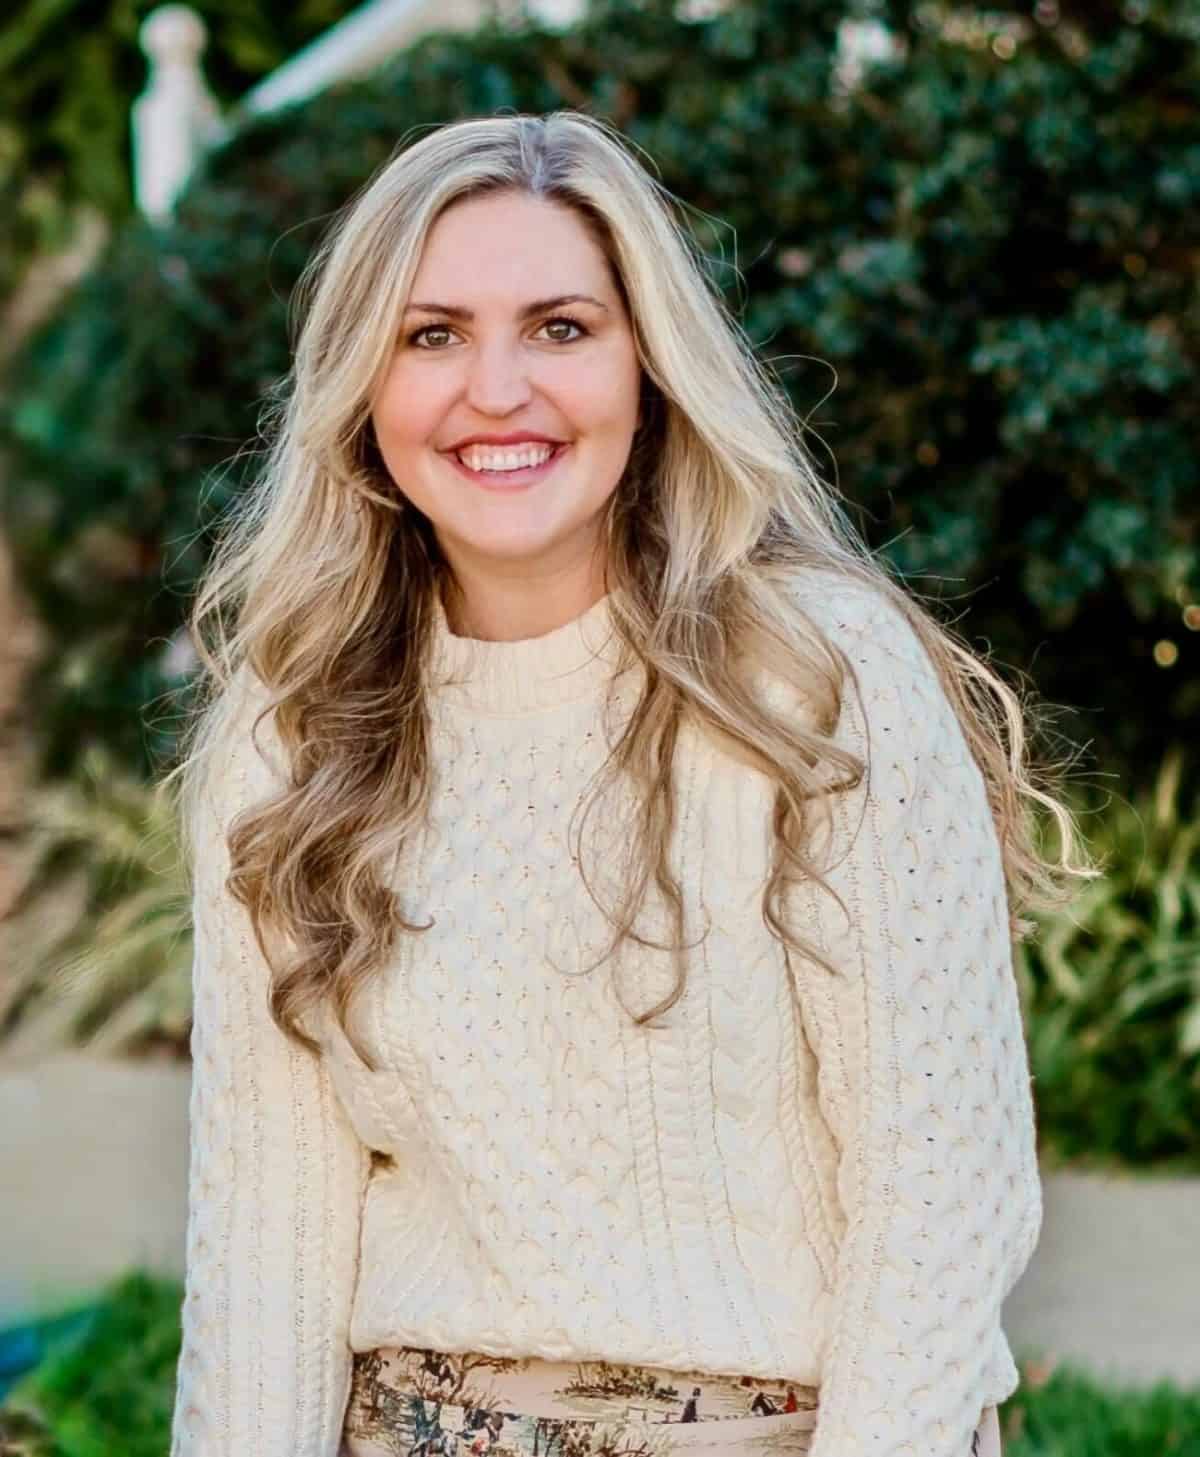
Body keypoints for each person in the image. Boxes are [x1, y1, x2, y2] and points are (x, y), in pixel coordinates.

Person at [163, 109, 1094, 1457]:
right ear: (364, 389)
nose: (497, 391)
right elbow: (264, 1239)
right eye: (433, 335)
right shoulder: (292, 733)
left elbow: (942, 1195)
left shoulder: (816, 681)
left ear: (648, 366)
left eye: (561, 328)